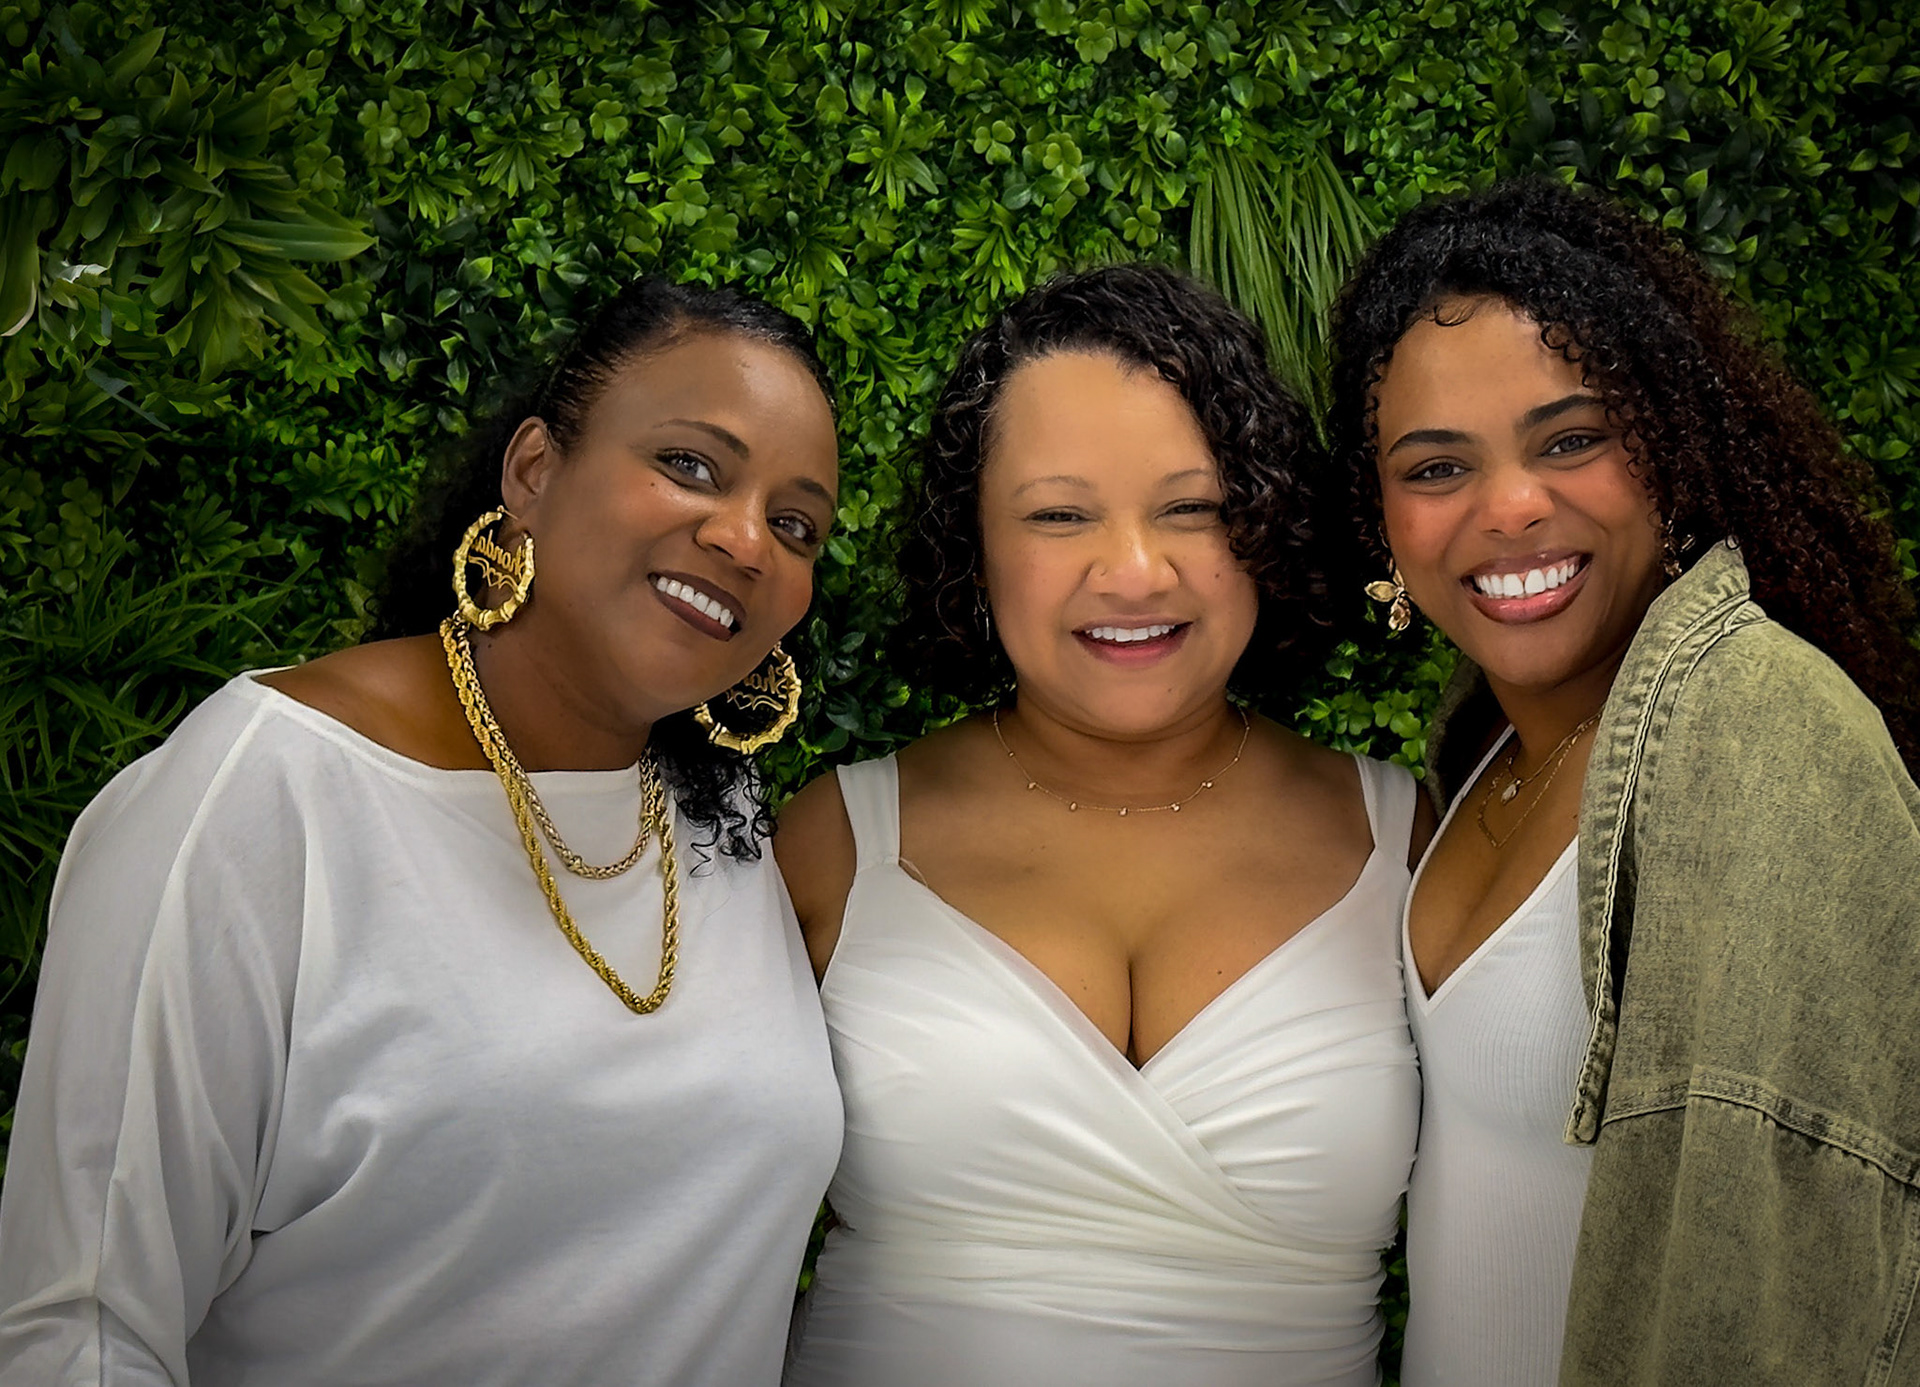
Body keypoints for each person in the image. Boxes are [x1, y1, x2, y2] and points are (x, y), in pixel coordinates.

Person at [0, 278, 846, 1386]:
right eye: (690, 464)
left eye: (796, 524)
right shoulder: (269, 791)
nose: (745, 538)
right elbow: (82, 1326)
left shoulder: (720, 827)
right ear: (534, 471)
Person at [780, 263, 1432, 1387]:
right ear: (976, 546)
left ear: (1262, 525)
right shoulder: (839, 843)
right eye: (1059, 514)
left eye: (1193, 508)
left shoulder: (1403, 839)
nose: (1134, 571)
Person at [1326, 178, 1920, 1387]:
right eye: (1436, 468)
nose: (1510, 507)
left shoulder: (1757, 726)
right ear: (1381, 518)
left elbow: (1785, 1264)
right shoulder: (1485, 752)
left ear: (1670, 449)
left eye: (1571, 440)